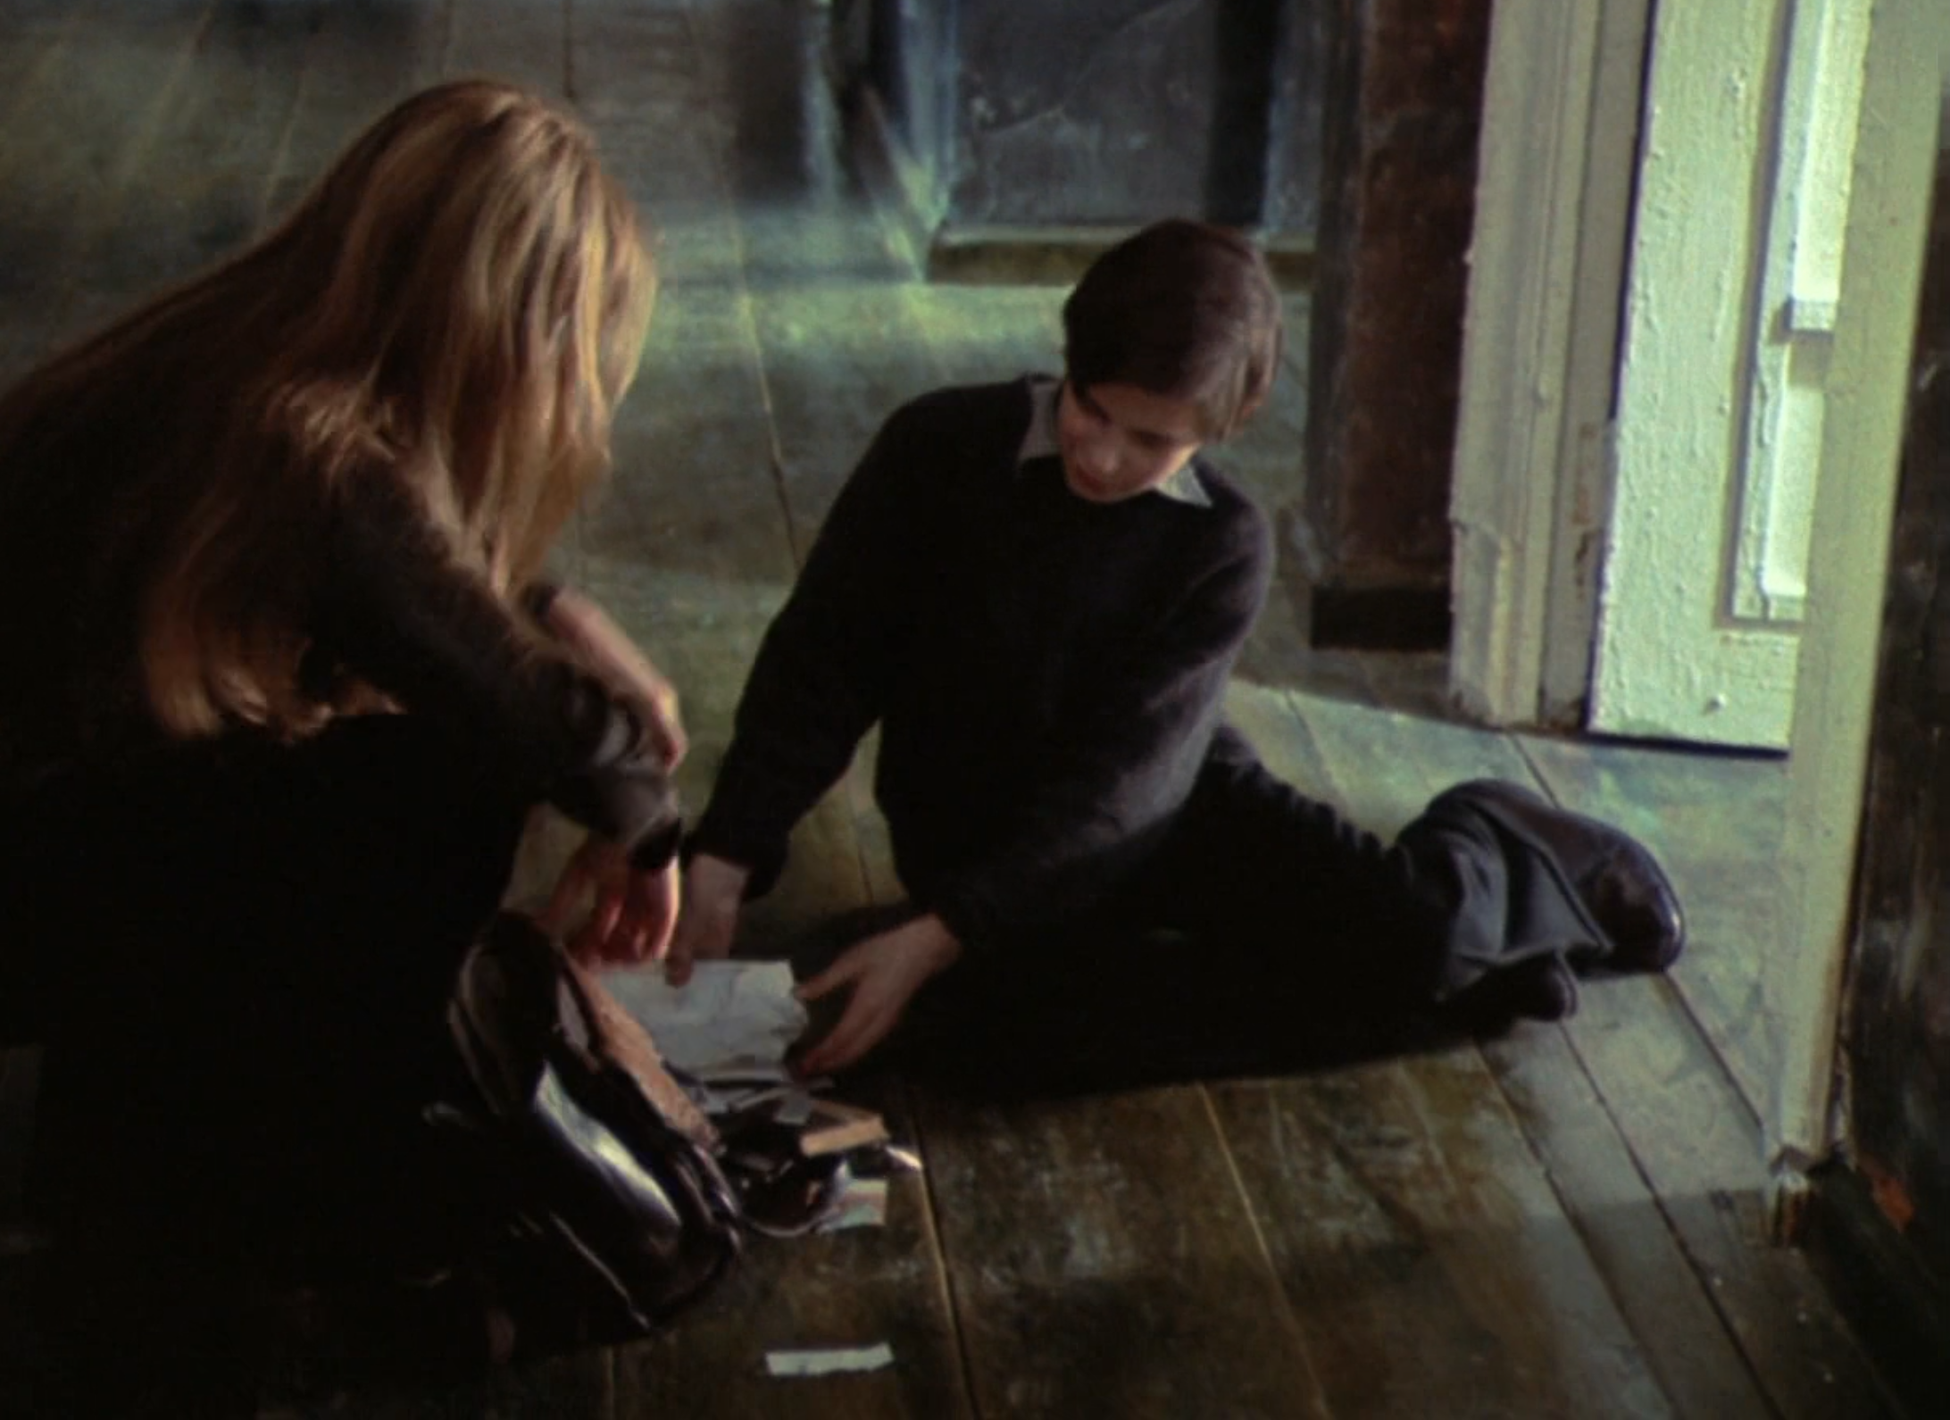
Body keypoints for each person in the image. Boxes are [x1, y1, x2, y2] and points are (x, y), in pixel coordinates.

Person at [0, 81, 690, 1399]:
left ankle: (159, 1182)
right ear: (507, 331)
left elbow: (427, 598)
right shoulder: (307, 446)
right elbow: (521, 708)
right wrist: (646, 814)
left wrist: (556, 616)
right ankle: (273, 1232)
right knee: (433, 783)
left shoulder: (238, 367)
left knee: (373, 766)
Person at [664, 219, 1686, 1089]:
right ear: (1070, 361)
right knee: (1003, 1049)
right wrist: (726, 853)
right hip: (983, 838)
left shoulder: (1220, 542)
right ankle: (1485, 979)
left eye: (1150, 441)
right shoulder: (937, 447)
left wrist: (940, 932)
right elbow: (822, 660)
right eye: (1091, 407)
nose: (1102, 455)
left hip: (1165, 809)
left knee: (1420, 934)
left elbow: (1125, 785)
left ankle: (1502, 842)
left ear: (1225, 425)